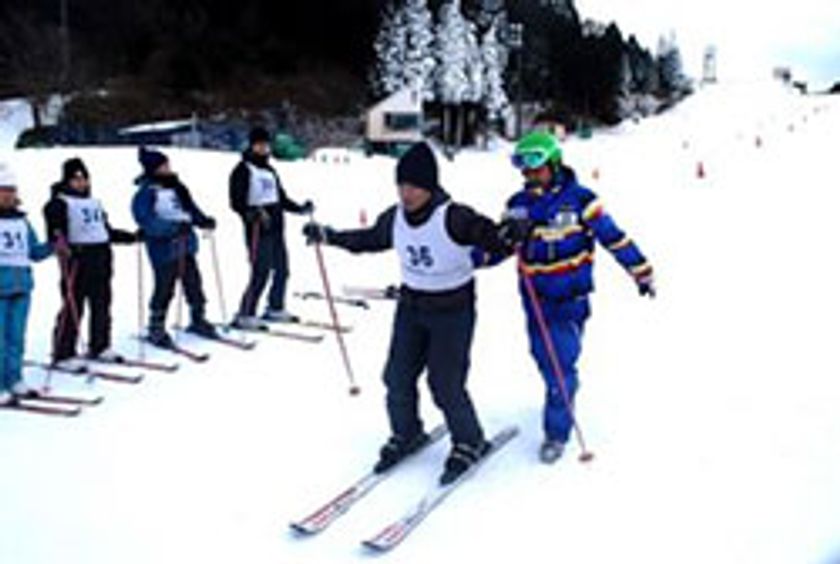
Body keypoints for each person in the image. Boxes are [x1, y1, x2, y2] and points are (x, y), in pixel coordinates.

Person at [303, 142, 517, 485]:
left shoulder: (453, 216)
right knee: (396, 377)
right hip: (412, 307)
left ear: (430, 186)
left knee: (445, 383)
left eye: (414, 186)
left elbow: (489, 236)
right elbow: (370, 239)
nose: (407, 193)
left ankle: (469, 439)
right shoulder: (396, 217)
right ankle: (407, 432)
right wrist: (330, 236)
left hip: (452, 309)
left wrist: (508, 236)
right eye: (401, 185)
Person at [479, 131, 655, 463]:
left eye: (536, 167)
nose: (529, 175)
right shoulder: (518, 205)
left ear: (554, 163)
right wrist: (478, 256)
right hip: (534, 296)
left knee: (561, 363)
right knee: (544, 358)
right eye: (523, 168)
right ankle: (560, 389)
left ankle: (557, 431)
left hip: (570, 297)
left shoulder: (582, 200)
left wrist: (640, 270)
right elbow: (501, 247)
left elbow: (613, 237)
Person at [43, 157, 140, 369]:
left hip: (101, 257)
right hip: (78, 259)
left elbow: (105, 230)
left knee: (102, 303)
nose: (81, 182)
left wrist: (131, 237)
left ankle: (100, 345)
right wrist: (61, 243)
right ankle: (63, 352)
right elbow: (55, 231)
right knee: (73, 304)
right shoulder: (58, 202)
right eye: (76, 178)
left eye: (84, 178)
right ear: (67, 180)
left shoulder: (94, 202)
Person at [131, 147, 218, 348]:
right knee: (164, 287)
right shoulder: (146, 193)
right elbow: (146, 220)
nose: (168, 169)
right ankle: (156, 326)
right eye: (163, 166)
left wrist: (203, 220)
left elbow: (190, 209)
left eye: (168, 165)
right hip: (163, 249)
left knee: (194, 283)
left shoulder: (178, 188)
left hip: (186, 244)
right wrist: (171, 228)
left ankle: (198, 318)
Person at [229, 126, 313, 328]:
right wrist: (252, 213)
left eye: (266, 145)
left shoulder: (269, 170)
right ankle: (245, 313)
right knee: (261, 272)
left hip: (276, 228)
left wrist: (299, 208)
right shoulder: (242, 170)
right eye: (259, 145)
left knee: (282, 270)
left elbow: (280, 199)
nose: (264, 148)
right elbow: (236, 202)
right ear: (251, 146)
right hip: (258, 229)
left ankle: (275, 307)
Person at [0, 162, 53, 406]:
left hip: (21, 288)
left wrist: (54, 246)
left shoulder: (22, 221)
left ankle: (14, 378)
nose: (8, 194)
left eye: (11, 190)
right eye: (3, 190)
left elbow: (34, 252)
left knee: (16, 337)